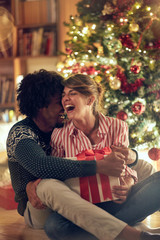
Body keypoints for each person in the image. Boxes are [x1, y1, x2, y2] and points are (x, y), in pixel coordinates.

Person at [6, 69, 158, 240]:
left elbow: (125, 161)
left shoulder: (59, 126)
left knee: (143, 166)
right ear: (42, 107)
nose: (64, 104)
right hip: (40, 206)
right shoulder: (21, 133)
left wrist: (131, 165)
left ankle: (102, 226)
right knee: (46, 186)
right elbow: (42, 166)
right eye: (59, 101)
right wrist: (100, 166)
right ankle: (129, 233)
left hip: (81, 200)